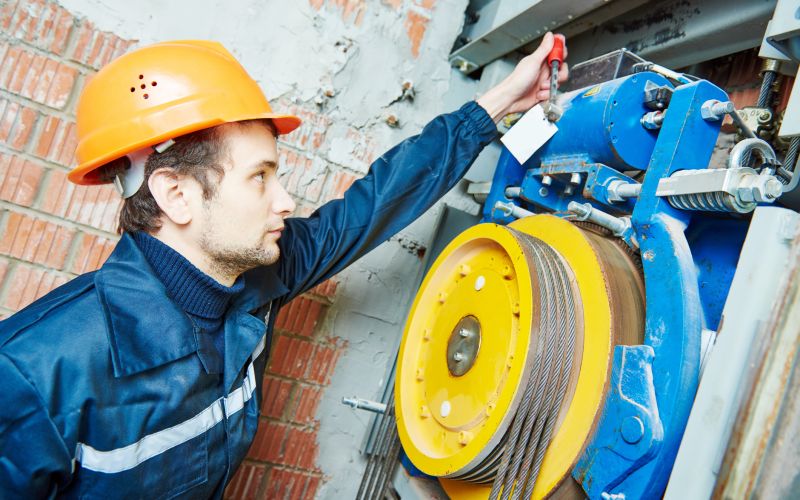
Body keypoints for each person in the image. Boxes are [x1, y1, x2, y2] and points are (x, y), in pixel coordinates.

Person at [0, 34, 567, 497]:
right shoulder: (34, 375)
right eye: (260, 177)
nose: (286, 201)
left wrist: (495, 106)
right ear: (176, 196)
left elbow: (369, 209)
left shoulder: (251, 277)